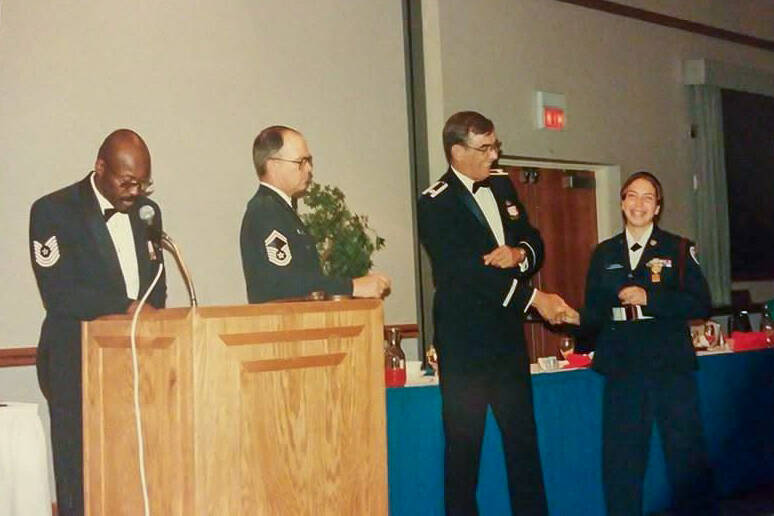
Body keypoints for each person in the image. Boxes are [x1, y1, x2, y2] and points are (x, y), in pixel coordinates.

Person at [417, 111, 577, 515]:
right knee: (464, 451)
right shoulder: (434, 203)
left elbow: (534, 240)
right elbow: (466, 274)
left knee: (523, 445)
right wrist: (534, 299)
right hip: (464, 346)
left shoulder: (502, 184)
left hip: (507, 341)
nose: (494, 155)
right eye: (485, 148)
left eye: (495, 146)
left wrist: (519, 253)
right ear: (457, 151)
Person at [29, 129, 167, 516]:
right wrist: (126, 307)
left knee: (133, 467)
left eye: (143, 183)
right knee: (79, 470)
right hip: (75, 361)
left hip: (135, 364)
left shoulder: (148, 212)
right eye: (127, 181)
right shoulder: (52, 211)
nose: (136, 191)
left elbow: (157, 286)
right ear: (100, 167)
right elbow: (59, 293)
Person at [567, 171, 716, 515]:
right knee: (622, 461)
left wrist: (650, 298)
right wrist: (573, 318)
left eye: (648, 197)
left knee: (685, 456)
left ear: (658, 207)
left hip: (670, 365)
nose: (639, 204)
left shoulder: (679, 249)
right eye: (632, 196)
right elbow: (596, 310)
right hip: (623, 368)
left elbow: (700, 304)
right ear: (622, 203)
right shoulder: (604, 253)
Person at [240, 125, 390, 302]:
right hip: (283, 319)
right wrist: (353, 287)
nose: (309, 169)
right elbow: (285, 283)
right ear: (274, 165)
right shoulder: (266, 211)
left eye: (310, 161)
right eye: (301, 162)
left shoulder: (279, 209)